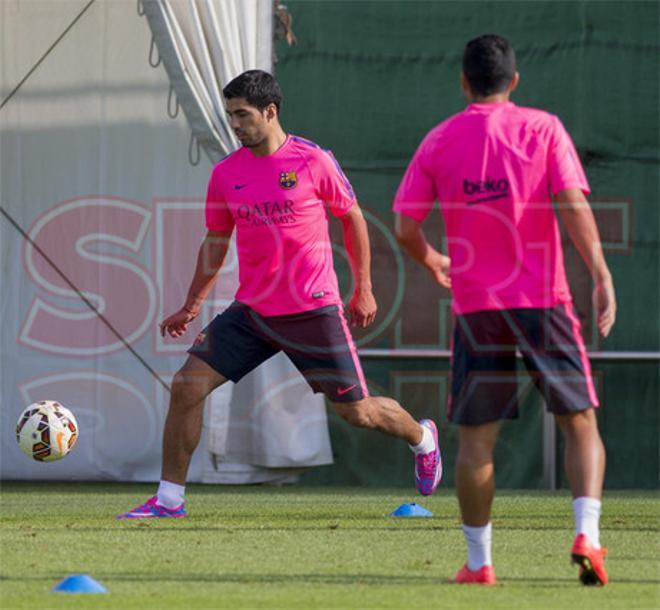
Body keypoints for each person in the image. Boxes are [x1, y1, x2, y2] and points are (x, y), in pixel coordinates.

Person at [117, 70, 442, 519]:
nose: (234, 124)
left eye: (243, 114)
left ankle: (422, 438)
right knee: (187, 386)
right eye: (229, 114)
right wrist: (192, 304)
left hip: (313, 310)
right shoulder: (226, 174)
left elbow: (353, 220)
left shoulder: (313, 161)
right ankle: (169, 500)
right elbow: (216, 242)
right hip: (252, 312)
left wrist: (363, 288)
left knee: (357, 413)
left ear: (270, 112)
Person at [394, 35, 616, 586]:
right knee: (580, 421)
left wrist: (431, 261)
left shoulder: (440, 139)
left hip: (479, 309)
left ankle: (479, 565)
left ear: (464, 83)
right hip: (545, 301)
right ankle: (587, 532)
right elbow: (572, 202)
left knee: (476, 442)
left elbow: (404, 227)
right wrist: (602, 272)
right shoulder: (542, 128)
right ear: (514, 81)